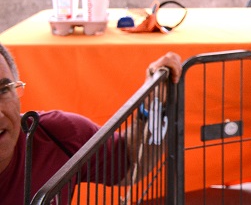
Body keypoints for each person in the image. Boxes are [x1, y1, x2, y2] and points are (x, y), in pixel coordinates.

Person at [0, 43, 182, 204]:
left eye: (3, 90)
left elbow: (130, 161)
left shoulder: (56, 135)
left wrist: (153, 105)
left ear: (17, 92)